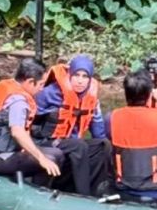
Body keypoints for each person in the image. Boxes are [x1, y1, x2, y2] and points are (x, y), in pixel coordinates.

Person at [32, 54, 113, 197]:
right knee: (78, 145)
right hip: (47, 142)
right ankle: (83, 195)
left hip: (71, 142)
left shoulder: (92, 99)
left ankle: (97, 189)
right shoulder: (49, 93)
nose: (80, 81)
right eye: (76, 75)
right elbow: (28, 119)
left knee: (103, 145)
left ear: (90, 79)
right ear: (69, 75)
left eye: (85, 77)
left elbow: (98, 132)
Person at [0, 58, 64, 185]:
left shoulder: (7, 87)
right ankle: (36, 194)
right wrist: (41, 159)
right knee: (50, 159)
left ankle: (36, 187)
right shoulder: (19, 102)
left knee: (57, 153)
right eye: (41, 84)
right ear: (30, 82)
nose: (42, 89)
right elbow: (17, 132)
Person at [107, 69, 157, 201]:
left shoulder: (112, 117)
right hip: (155, 188)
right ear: (149, 95)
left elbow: (107, 134)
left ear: (126, 94)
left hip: (122, 185)